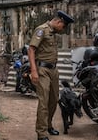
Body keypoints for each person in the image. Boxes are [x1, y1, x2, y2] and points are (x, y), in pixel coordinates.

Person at [27, 10, 74, 140]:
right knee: (44, 102)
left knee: (53, 100)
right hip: (42, 70)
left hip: (53, 70)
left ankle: (48, 125)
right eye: (63, 27)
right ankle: (41, 133)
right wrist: (34, 71)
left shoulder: (53, 32)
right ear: (59, 21)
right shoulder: (41, 30)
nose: (63, 30)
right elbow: (31, 49)